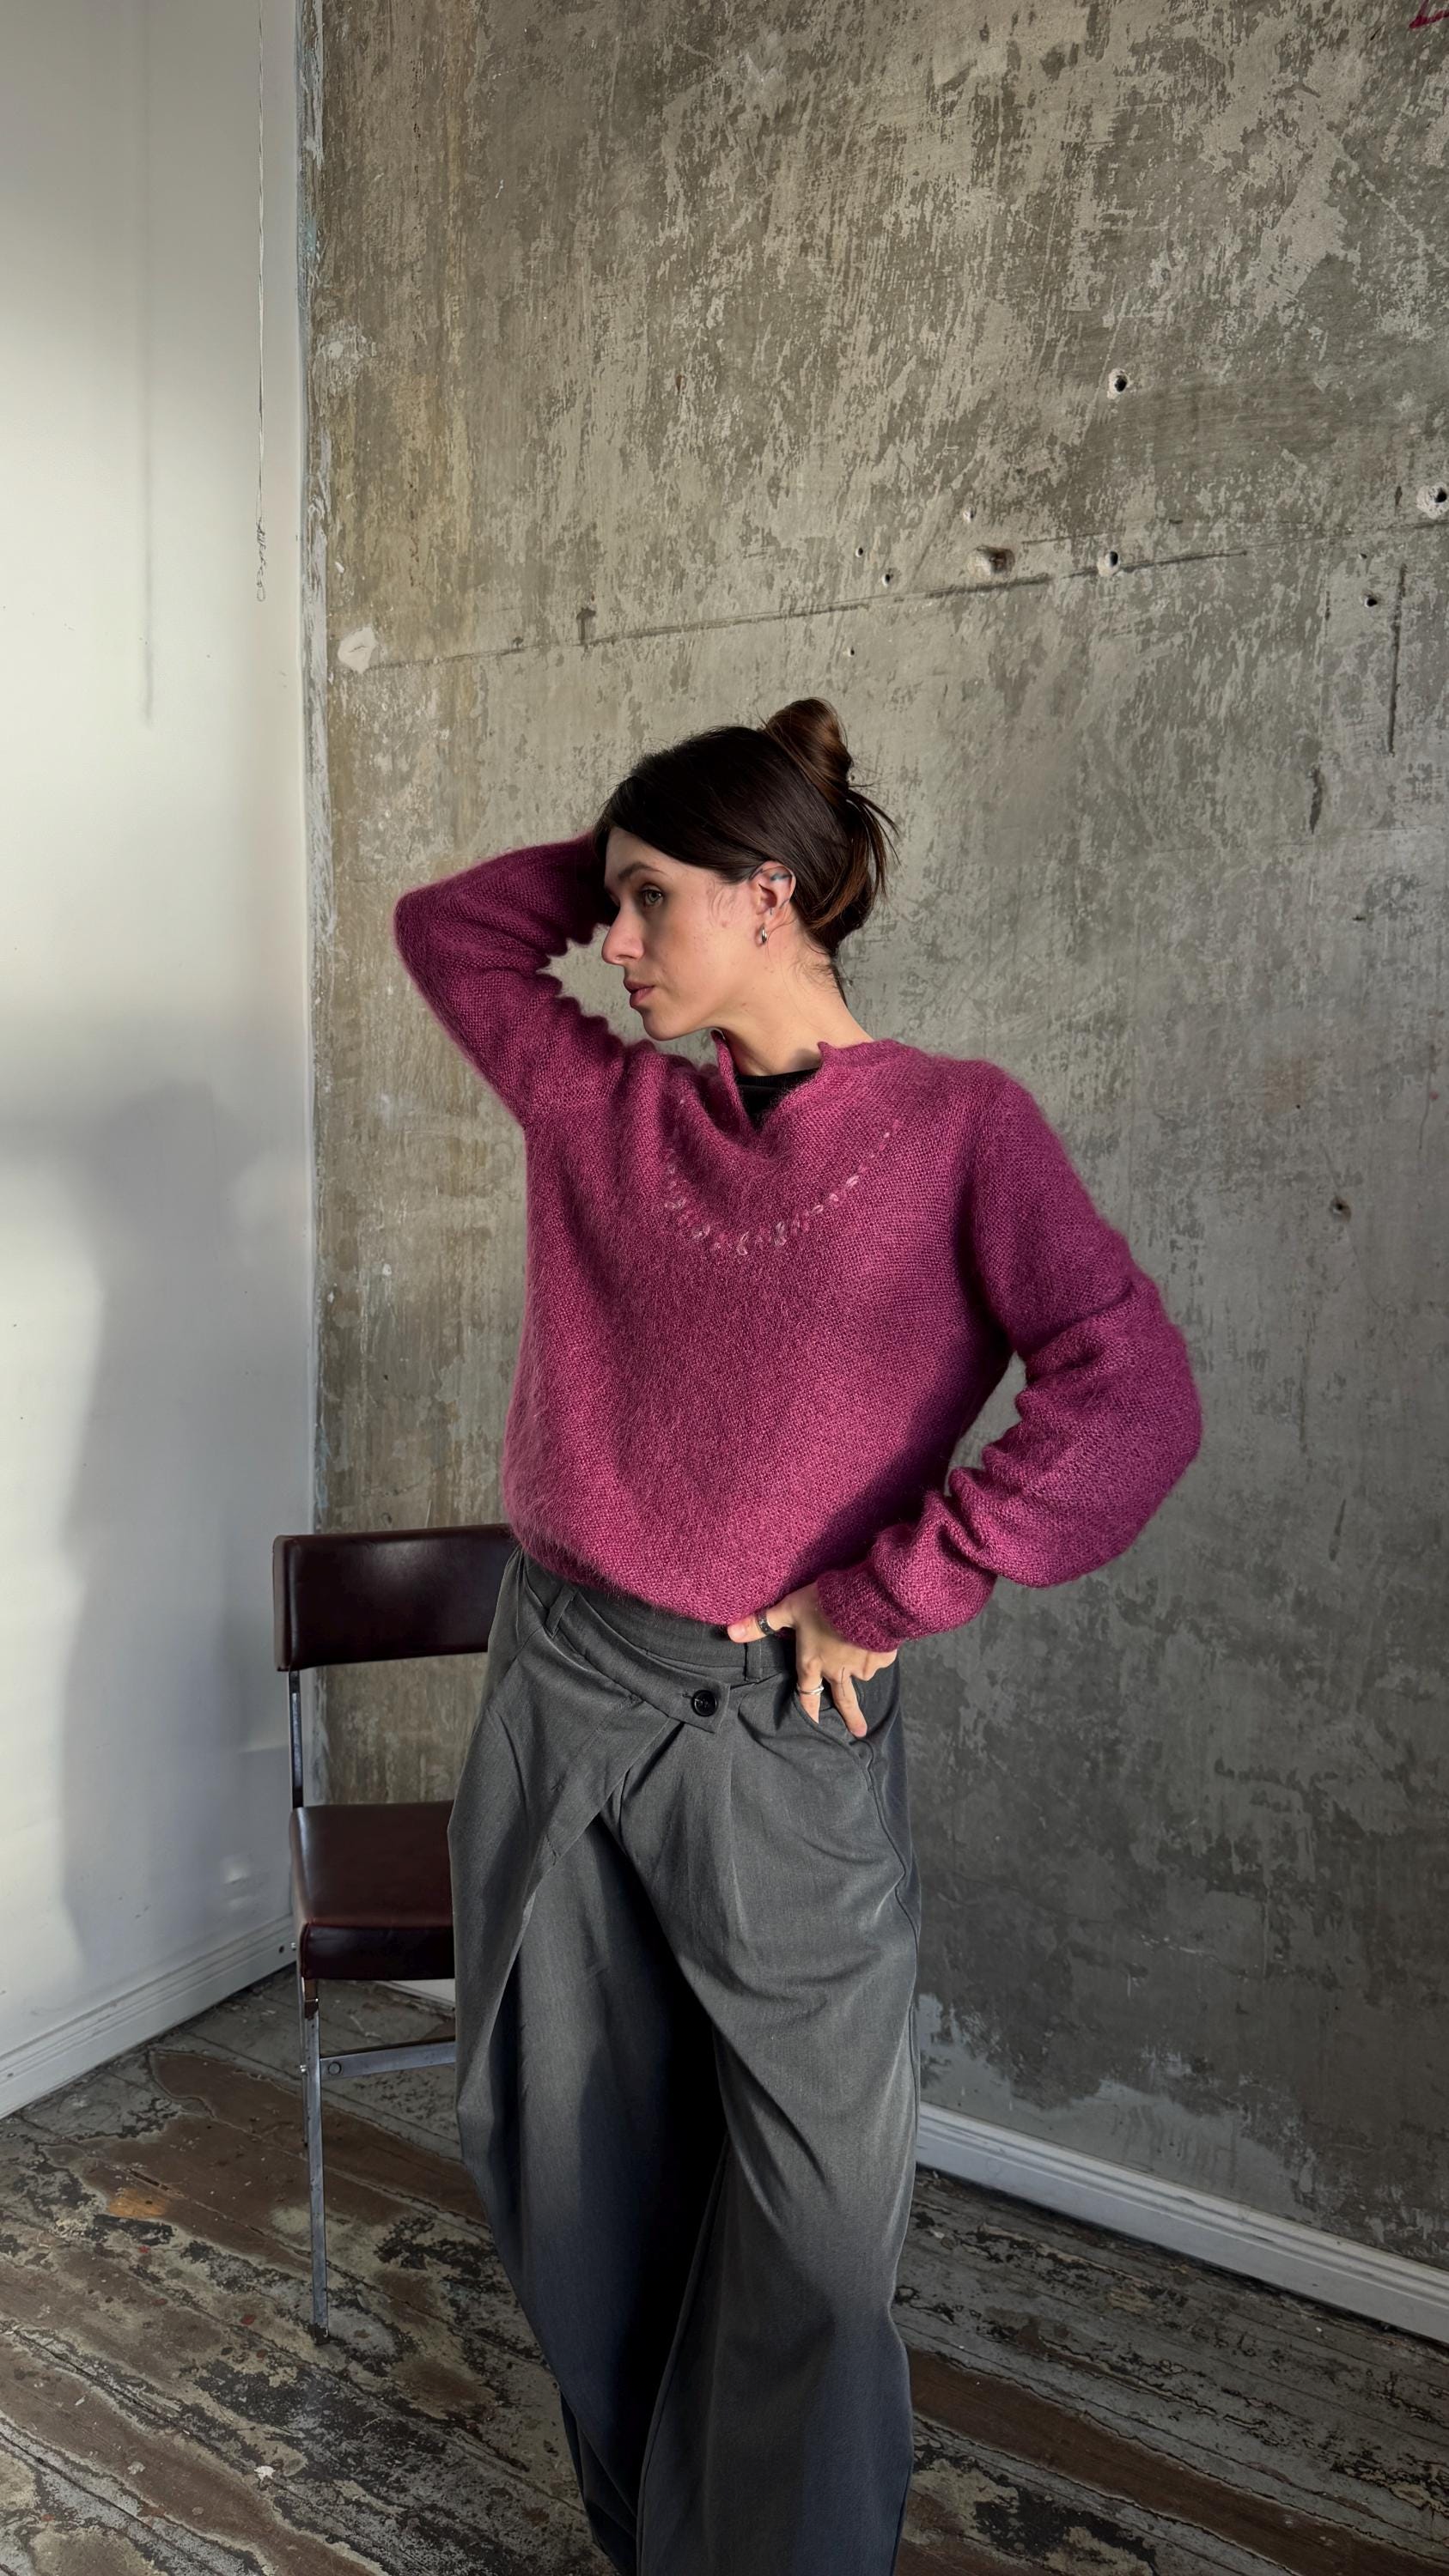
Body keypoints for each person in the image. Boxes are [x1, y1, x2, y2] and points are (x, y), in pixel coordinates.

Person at [392, 696, 1202, 2576]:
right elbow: (452, 929)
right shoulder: (600, 1101)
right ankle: (658, 2530)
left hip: (775, 1726)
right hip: (562, 1690)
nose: (606, 941)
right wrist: (642, 826)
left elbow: (1130, 1393)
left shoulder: (955, 1129)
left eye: (645, 902)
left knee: (821, 2227)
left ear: (774, 900)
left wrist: (898, 1583)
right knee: (573, 2162)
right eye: (602, 904)